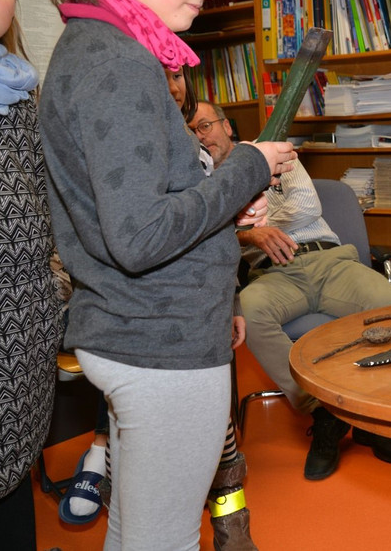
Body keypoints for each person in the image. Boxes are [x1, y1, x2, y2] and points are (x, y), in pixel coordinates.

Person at [38, 0, 295, 548]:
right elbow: (141, 235)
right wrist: (245, 168)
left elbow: (141, 206)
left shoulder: (100, 50)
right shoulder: (117, 63)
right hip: (161, 342)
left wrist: (219, 207)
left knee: (138, 528)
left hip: (142, 331)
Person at [58, 69, 259, 551]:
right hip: (148, 324)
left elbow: (207, 236)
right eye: (160, 70)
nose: (172, 83)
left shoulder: (190, 147)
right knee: (155, 512)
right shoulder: (135, 136)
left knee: (209, 437)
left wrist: (228, 300)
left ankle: (230, 519)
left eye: (178, 73)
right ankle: (102, 459)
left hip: (198, 313)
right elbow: (146, 234)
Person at [188, 100, 391, 481]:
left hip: (328, 260)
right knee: (249, 314)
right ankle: (322, 413)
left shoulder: (270, 151)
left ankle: (371, 413)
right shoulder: (202, 182)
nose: (201, 136)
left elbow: (306, 207)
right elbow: (205, 239)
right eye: (192, 131)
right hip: (274, 274)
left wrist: (243, 225)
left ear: (226, 126)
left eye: (205, 125)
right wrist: (248, 235)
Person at [0, 0, 63, 551]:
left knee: (10, 487)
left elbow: (50, 201)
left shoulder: (24, 92)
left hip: (24, 329)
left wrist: (53, 286)